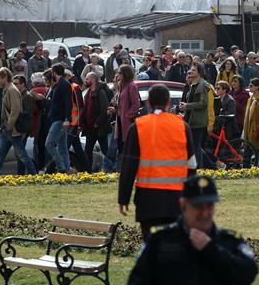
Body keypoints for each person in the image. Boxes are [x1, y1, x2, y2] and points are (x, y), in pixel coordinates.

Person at [125, 175, 257, 285]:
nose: (204, 213)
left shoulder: (227, 241)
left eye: (209, 206)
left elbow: (247, 275)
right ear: (183, 205)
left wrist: (210, 249)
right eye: (198, 207)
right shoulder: (161, 241)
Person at [119, 85, 197, 239]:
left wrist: (123, 198)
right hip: (177, 198)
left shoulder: (138, 126)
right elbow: (192, 165)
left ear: (148, 102)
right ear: (168, 102)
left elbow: (128, 167)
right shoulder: (182, 126)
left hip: (148, 199)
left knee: (151, 246)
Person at [0, 68, 37, 176]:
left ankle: (34, 173)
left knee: (21, 154)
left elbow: (15, 109)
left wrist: (9, 126)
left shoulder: (11, 90)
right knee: (1, 153)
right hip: (8, 129)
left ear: (5, 77)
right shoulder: (8, 89)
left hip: (12, 129)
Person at [178, 63, 209, 167]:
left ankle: (198, 168)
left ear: (199, 73)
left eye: (194, 70)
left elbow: (203, 103)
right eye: (190, 69)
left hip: (198, 121)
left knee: (196, 146)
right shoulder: (193, 84)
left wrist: (188, 106)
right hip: (191, 119)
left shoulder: (202, 85)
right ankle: (195, 167)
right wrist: (182, 106)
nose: (190, 71)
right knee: (193, 146)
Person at [44, 64, 73, 174]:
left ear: (54, 72)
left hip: (60, 120)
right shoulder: (58, 84)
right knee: (62, 148)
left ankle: (61, 168)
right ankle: (66, 171)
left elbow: (68, 103)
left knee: (49, 144)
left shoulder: (64, 84)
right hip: (57, 118)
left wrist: (67, 119)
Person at [81, 72, 111, 171]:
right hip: (90, 128)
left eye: (87, 79)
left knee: (105, 149)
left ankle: (112, 168)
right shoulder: (88, 92)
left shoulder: (100, 92)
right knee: (88, 150)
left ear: (93, 80)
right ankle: (88, 171)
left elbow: (104, 109)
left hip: (99, 127)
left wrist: (97, 122)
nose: (85, 81)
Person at [241, 78, 259, 165]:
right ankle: (246, 167)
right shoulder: (250, 99)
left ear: (257, 87)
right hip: (248, 129)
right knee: (247, 152)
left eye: (251, 86)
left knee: (256, 151)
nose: (249, 87)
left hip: (256, 129)